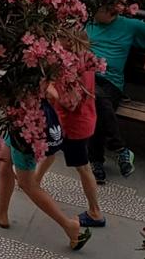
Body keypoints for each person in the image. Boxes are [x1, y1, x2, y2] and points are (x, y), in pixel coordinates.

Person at [0, 104, 91, 250]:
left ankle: (69, 226)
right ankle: (1, 213)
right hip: (19, 120)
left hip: (28, 127)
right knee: (3, 160)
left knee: (27, 184)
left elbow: (51, 92)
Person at [87, 2, 145, 183]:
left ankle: (96, 161)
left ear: (109, 11)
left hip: (111, 82)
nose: (92, 15)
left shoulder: (129, 25)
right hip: (88, 76)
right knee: (96, 100)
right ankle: (120, 150)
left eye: (96, 10)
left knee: (96, 102)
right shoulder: (89, 23)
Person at [47, 32, 106, 229]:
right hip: (82, 120)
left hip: (74, 125)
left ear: (70, 41)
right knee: (49, 149)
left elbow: (69, 103)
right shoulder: (86, 58)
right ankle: (30, 181)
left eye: (59, 38)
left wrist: (50, 88)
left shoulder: (73, 67)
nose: (55, 42)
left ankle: (95, 212)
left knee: (83, 167)